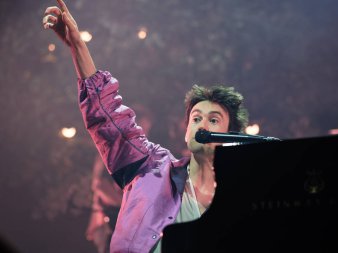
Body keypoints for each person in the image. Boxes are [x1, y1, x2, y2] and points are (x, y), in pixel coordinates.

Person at [42, 1, 249, 252]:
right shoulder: (151, 167)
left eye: (213, 119)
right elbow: (108, 118)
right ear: (186, 131)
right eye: (195, 118)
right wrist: (78, 45)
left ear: (229, 136)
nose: (201, 124)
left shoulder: (244, 197)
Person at [85, 103, 153, 253]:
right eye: (140, 128)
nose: (143, 133)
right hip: (115, 221)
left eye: (146, 129)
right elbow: (99, 185)